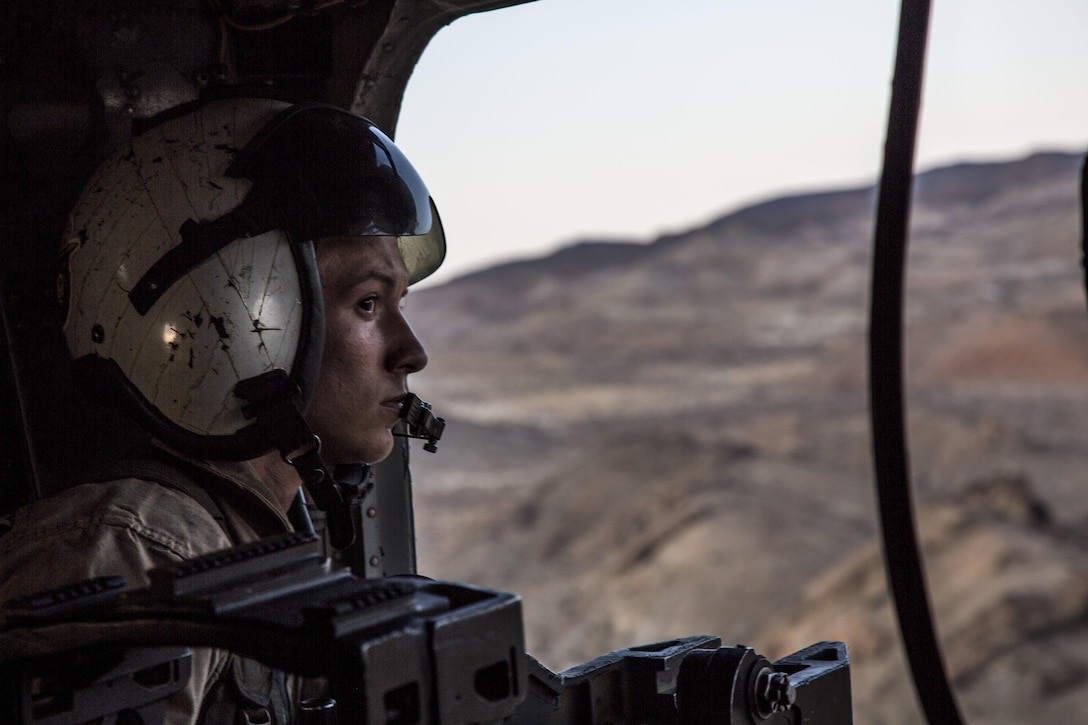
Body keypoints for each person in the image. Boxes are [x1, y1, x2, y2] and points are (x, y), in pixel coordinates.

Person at [0, 96, 445, 723]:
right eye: (368, 304)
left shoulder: (261, 529)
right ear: (236, 317)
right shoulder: (134, 557)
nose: (412, 353)